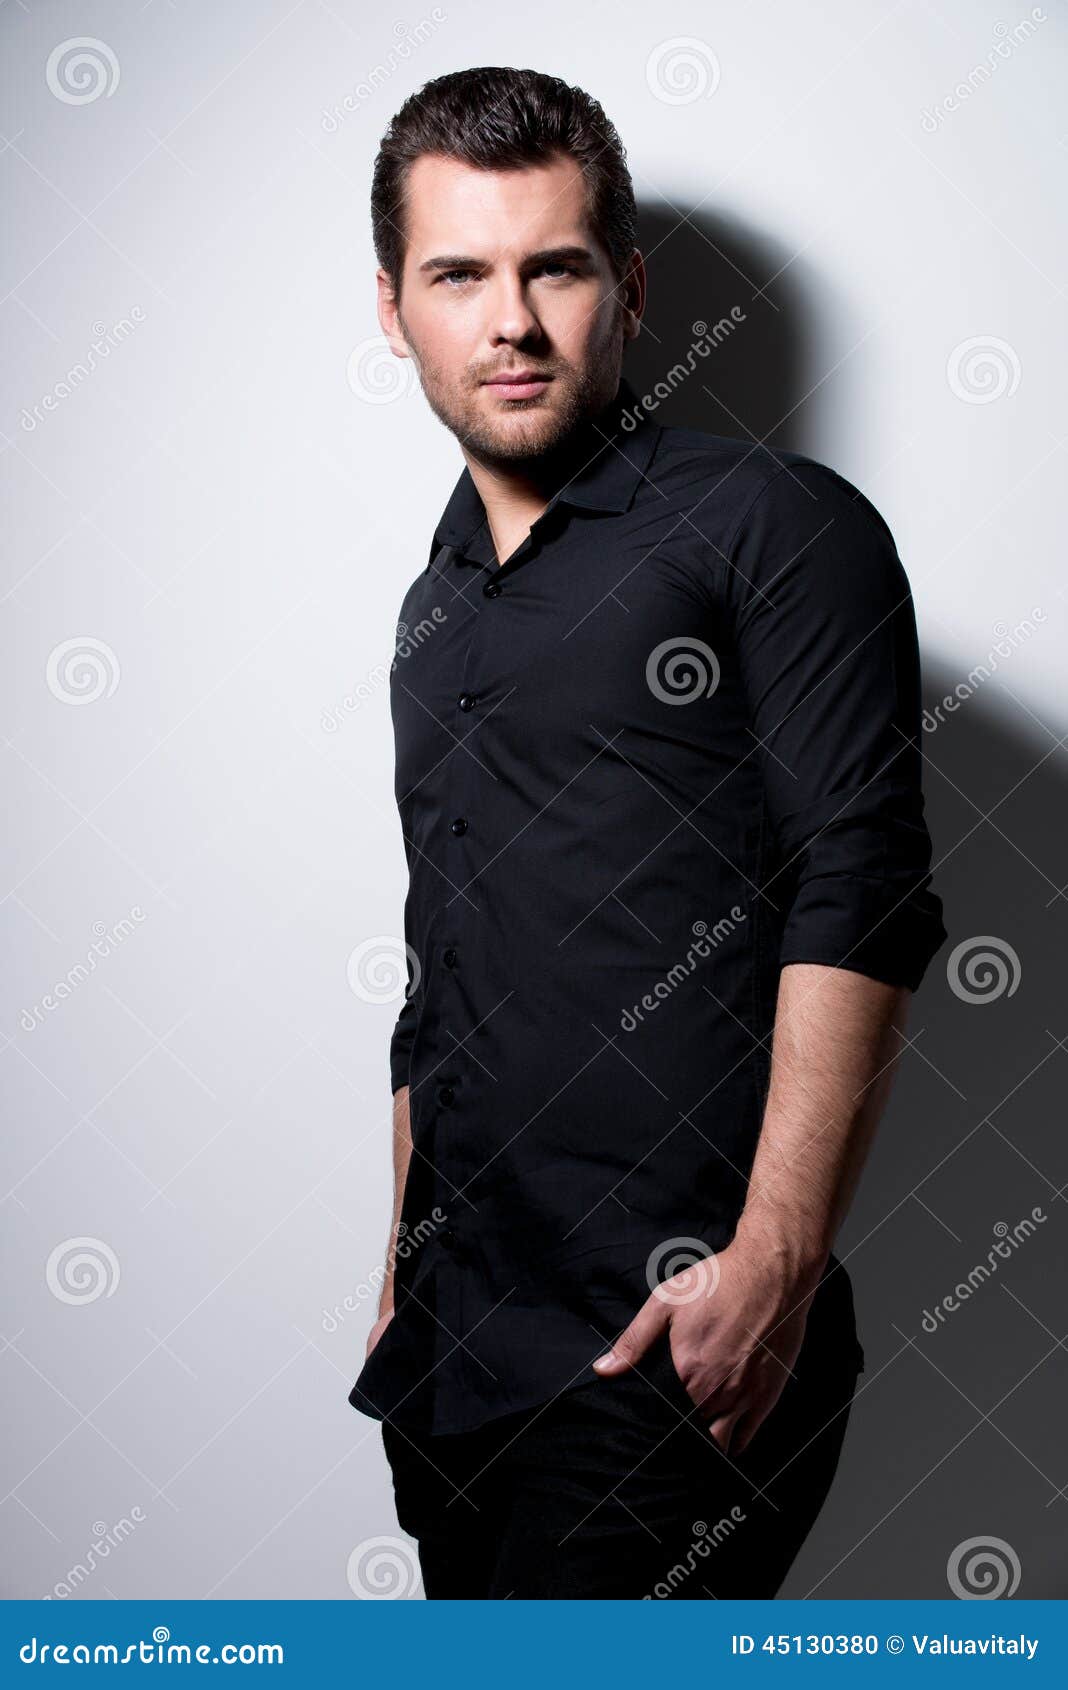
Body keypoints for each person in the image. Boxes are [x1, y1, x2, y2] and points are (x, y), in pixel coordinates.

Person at [347, 65, 948, 1599]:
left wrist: (775, 1263)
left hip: (666, 1340)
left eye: (553, 267)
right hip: (455, 1355)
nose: (511, 321)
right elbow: (443, 975)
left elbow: (861, 889)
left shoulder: (776, 525)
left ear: (625, 287)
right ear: (391, 307)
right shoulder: (432, 608)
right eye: (459, 274)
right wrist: (398, 1278)